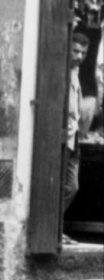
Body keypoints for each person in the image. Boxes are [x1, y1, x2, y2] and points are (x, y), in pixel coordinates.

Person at [62, 32, 90, 245]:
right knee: (63, 185)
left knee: (72, 186)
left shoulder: (75, 71)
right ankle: (54, 230)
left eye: (83, 53)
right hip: (63, 138)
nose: (79, 56)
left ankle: (55, 228)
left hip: (74, 138)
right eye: (76, 51)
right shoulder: (61, 71)